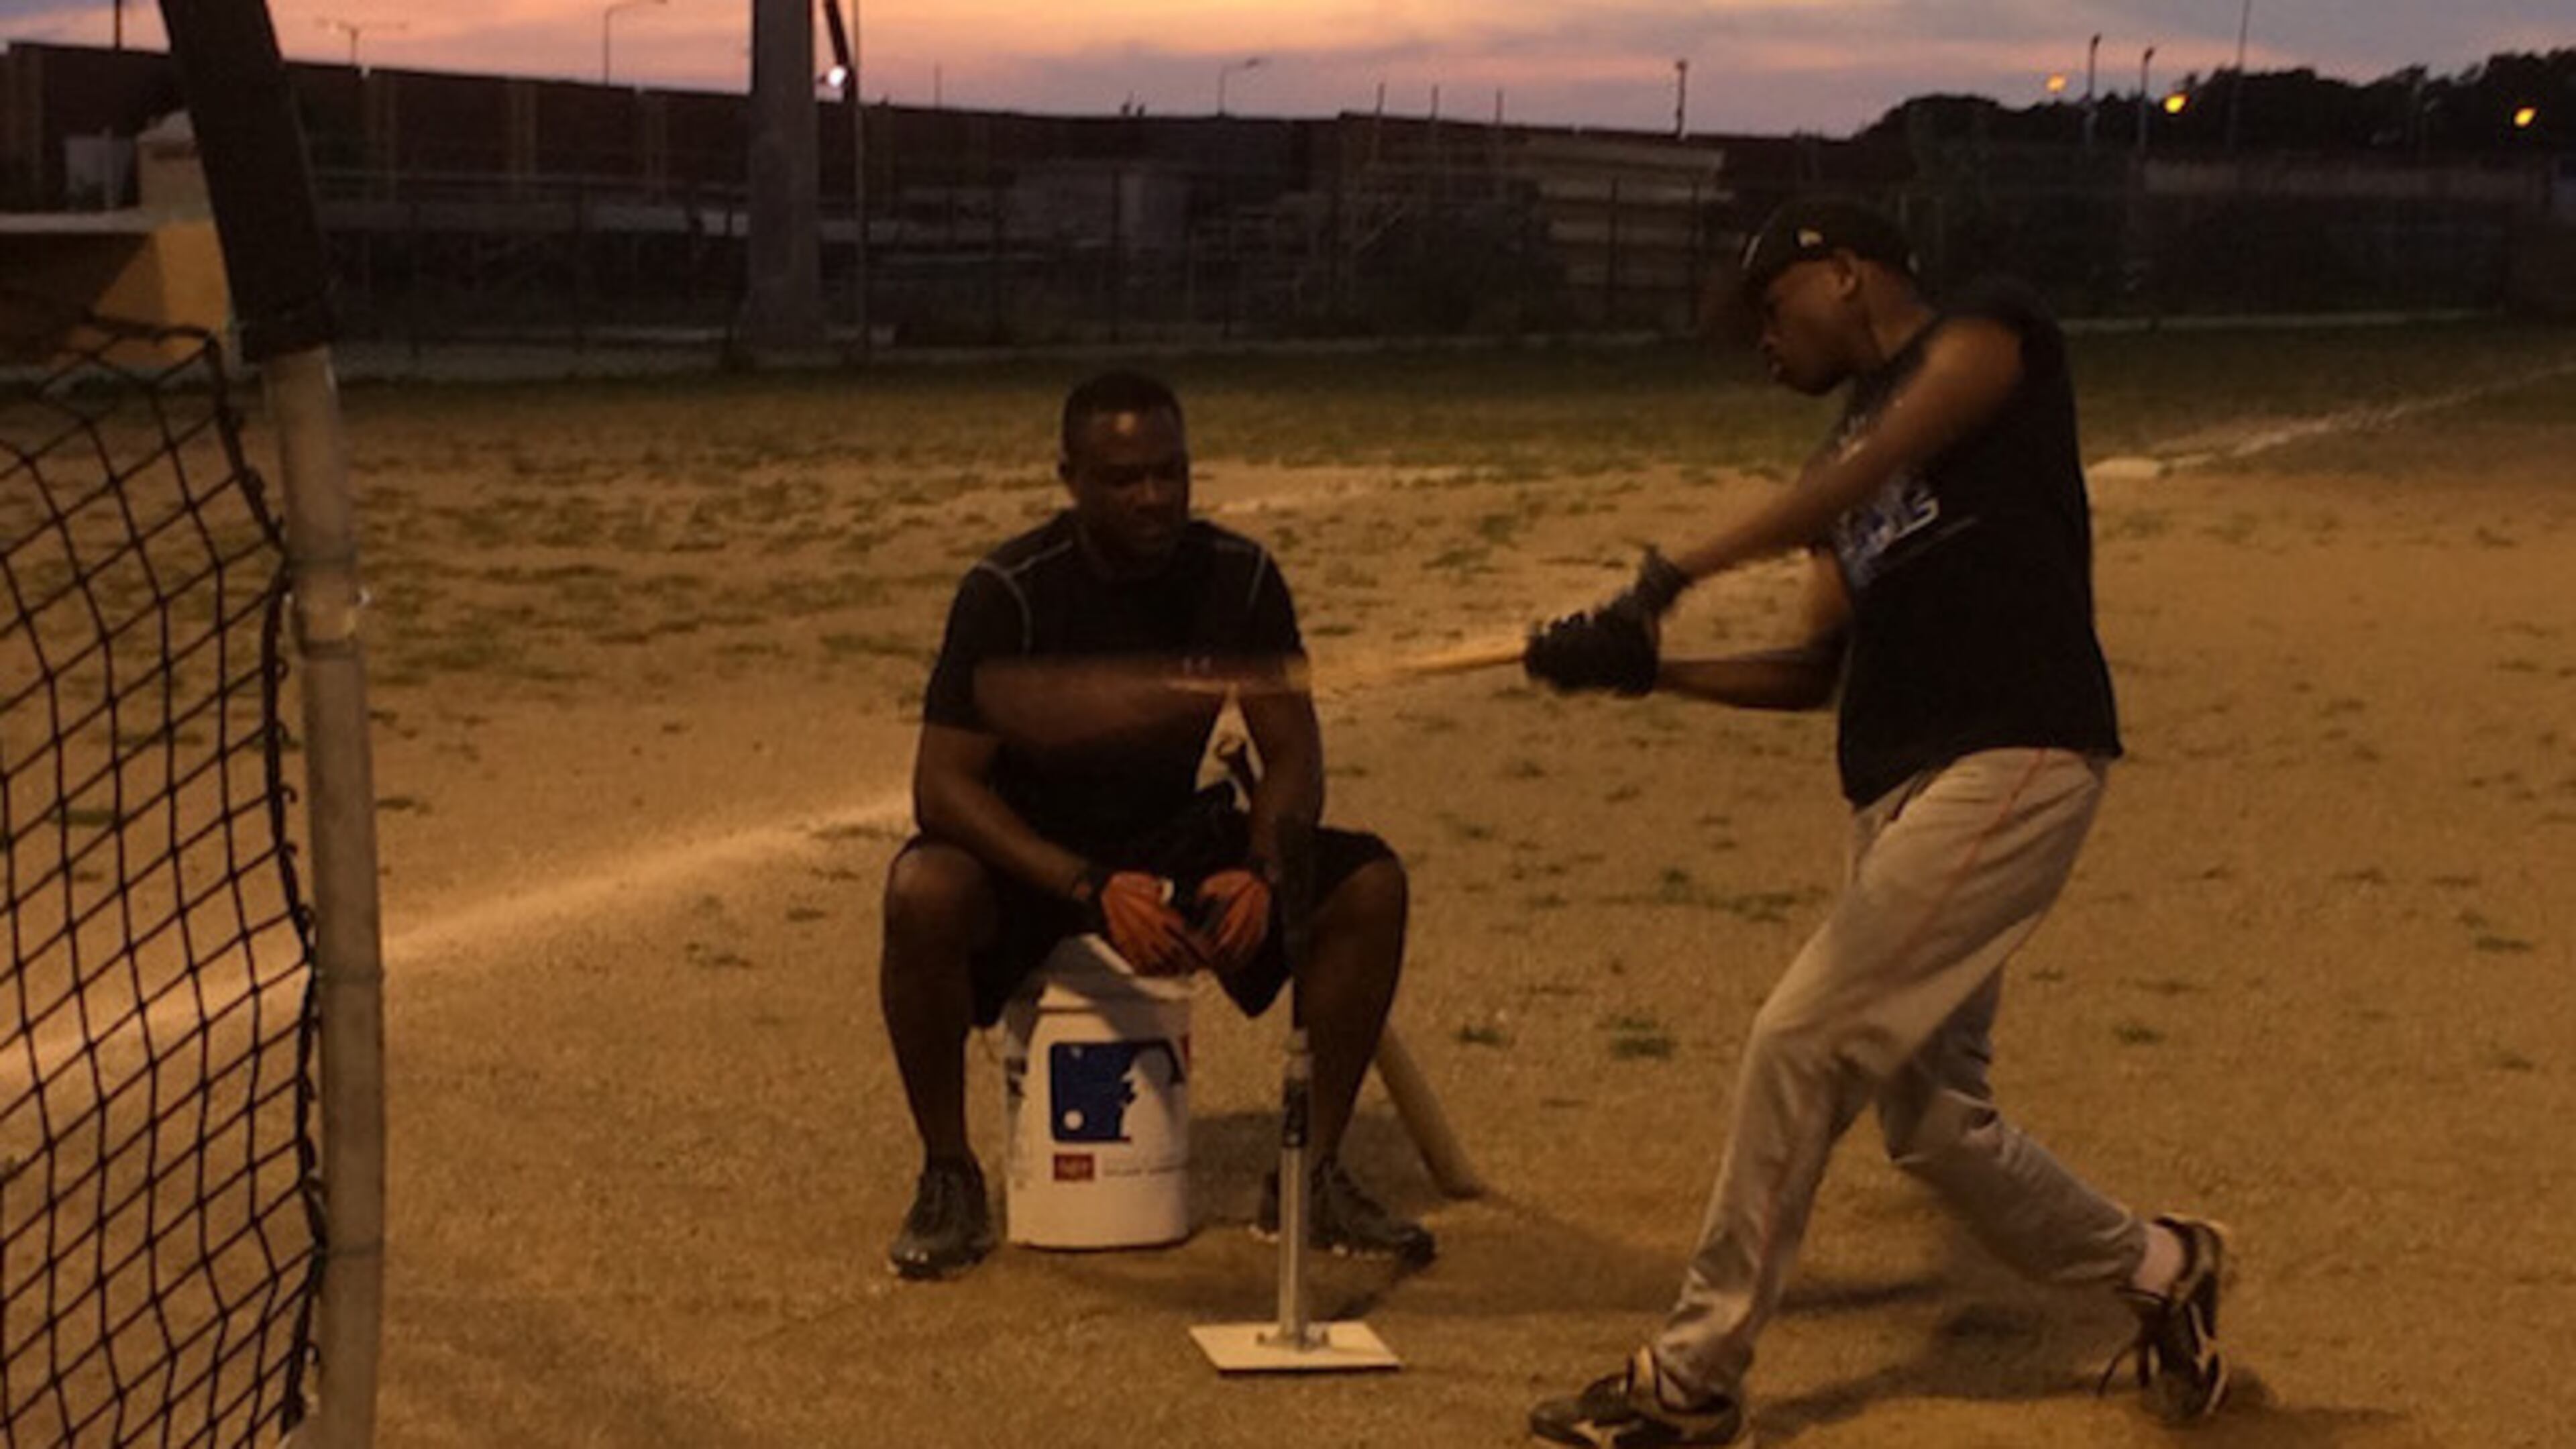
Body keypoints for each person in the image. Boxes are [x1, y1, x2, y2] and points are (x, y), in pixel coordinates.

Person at [1520, 199, 2229, 1446]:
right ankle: (2166, 1265)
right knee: (1936, 1124)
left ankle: (1692, 1380)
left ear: (1843, 275)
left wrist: (1661, 584)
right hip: (1898, 789)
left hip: (2013, 751)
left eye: (1769, 314)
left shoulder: (1989, 332)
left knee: (1801, 1037)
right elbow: (1809, 672)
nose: (1762, 347)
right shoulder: (1837, 464)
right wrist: (1647, 675)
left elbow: (1871, 465)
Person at [877, 369, 1433, 1279]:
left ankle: (1311, 1175)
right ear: (1072, 479)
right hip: (1039, 857)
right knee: (922, 889)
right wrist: (1089, 889)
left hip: (1175, 835)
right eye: (1126, 478)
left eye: (1171, 473)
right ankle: (948, 1174)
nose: (1156, 498)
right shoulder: (1009, 593)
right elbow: (940, 790)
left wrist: (1262, 871)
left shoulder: (1240, 579)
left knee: (1368, 886)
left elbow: (1293, 752)